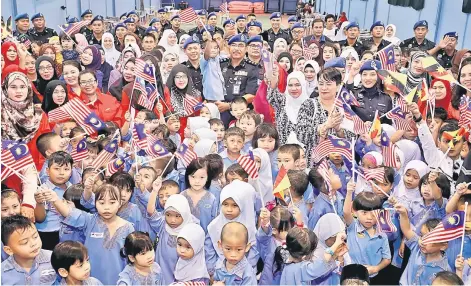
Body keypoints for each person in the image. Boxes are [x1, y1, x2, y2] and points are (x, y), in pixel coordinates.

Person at [296, 68, 354, 166]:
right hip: (315, 164)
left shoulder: (345, 107)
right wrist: (325, 126)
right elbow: (301, 134)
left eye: (328, 84)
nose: (324, 88)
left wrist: (338, 129)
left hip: (341, 164)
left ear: (338, 86)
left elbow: (353, 137)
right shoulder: (309, 104)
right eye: (321, 83)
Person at [279, 227, 346, 284]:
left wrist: (334, 256)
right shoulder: (300, 269)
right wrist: (336, 243)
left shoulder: (287, 258)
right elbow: (321, 263)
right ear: (304, 257)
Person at [1, 215, 55, 285]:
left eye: (35, 237)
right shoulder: (2, 273)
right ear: (9, 250)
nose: (33, 244)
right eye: (25, 242)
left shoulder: (54, 259)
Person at [219, 34, 259, 127]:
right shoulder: (220, 65)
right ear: (228, 47)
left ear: (246, 49)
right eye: (234, 45)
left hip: (241, 114)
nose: (237, 49)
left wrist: (230, 106)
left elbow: (251, 95)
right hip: (220, 110)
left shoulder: (252, 68)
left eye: (241, 45)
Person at [162, 64, 202, 137]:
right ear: (173, 78)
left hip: (191, 133)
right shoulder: (167, 92)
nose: (181, 80)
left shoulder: (196, 95)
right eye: (177, 77)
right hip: (172, 133)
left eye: (184, 76)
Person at [201, 36, 225, 102]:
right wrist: (208, 41)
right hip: (210, 98)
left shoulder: (219, 59)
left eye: (215, 48)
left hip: (222, 97)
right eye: (210, 48)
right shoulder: (204, 61)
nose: (213, 50)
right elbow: (206, 54)